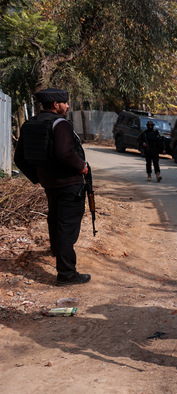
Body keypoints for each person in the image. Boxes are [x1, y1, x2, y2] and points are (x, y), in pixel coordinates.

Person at [14, 88, 91, 286]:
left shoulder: (30, 124)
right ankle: (66, 274)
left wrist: (38, 178)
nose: (67, 106)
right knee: (67, 227)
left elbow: (19, 158)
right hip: (69, 184)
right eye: (65, 103)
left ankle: (57, 252)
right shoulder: (60, 124)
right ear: (56, 105)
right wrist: (82, 167)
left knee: (55, 219)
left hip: (50, 184)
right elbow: (65, 153)